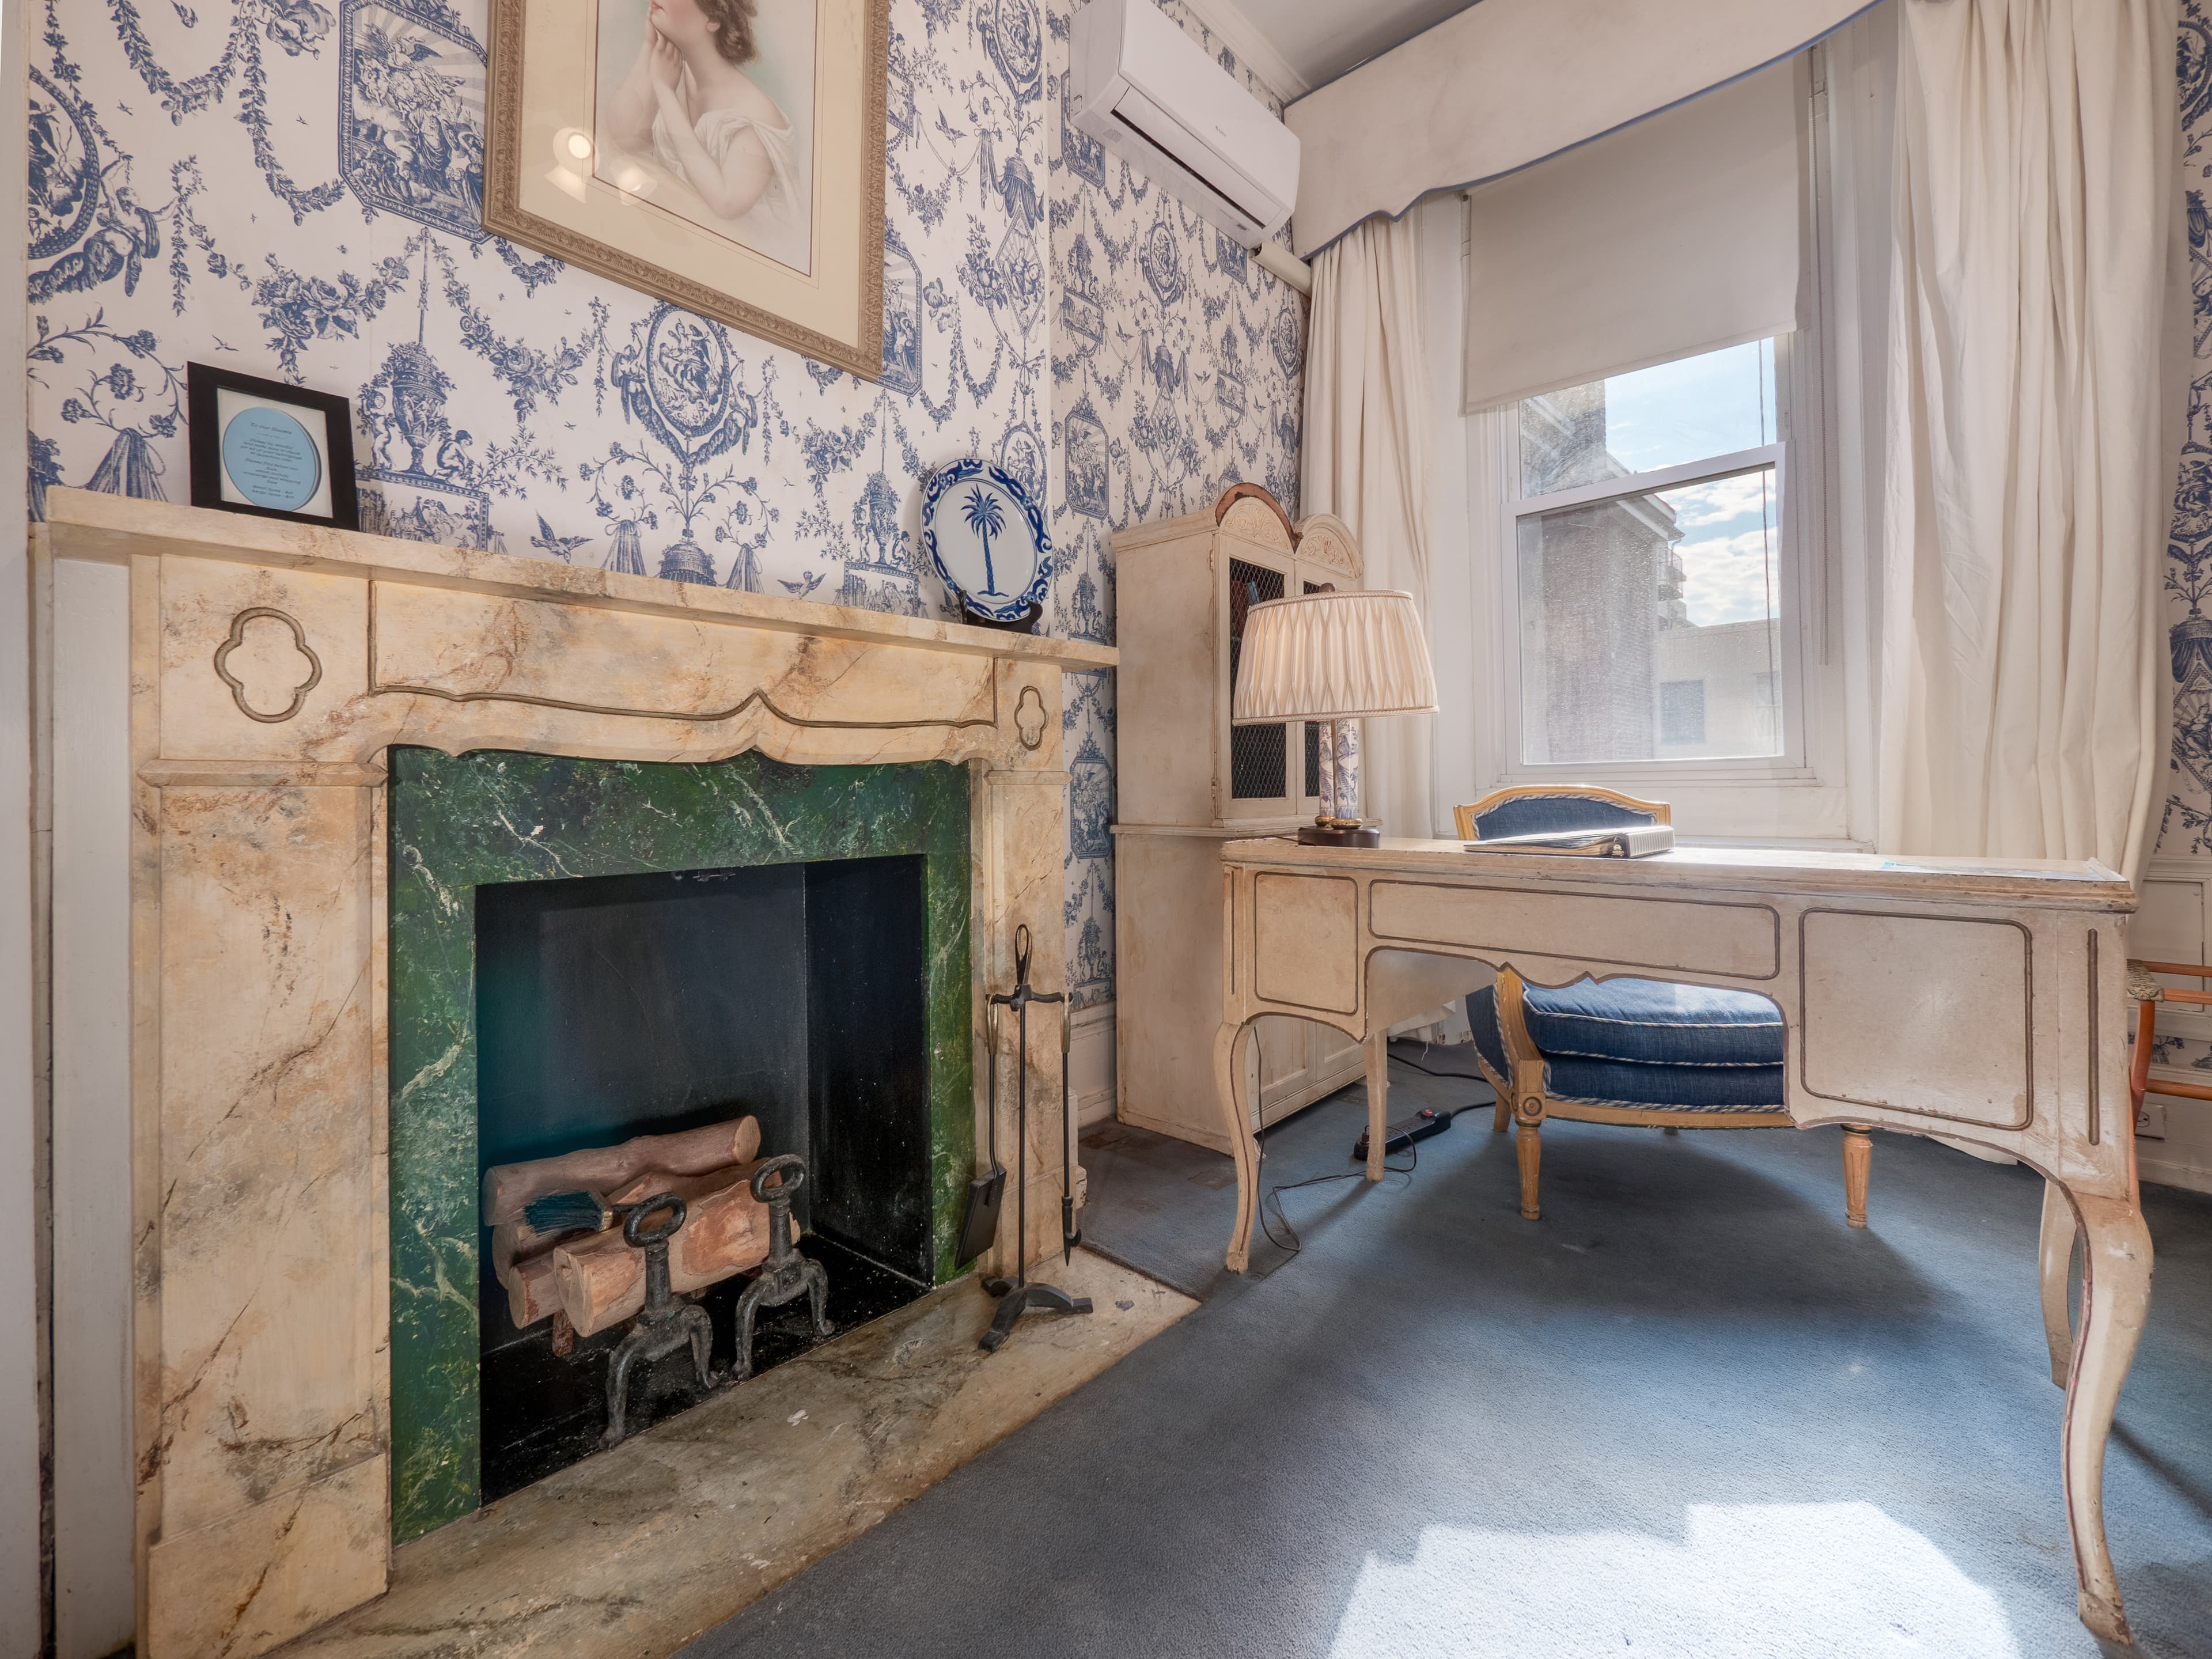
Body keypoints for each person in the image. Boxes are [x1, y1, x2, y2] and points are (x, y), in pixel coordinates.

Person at [603, 0, 808, 270]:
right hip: (679, 256)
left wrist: (664, 91)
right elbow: (623, 134)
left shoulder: (754, 114)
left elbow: (726, 203)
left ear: (712, 19)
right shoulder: (674, 72)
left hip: (744, 271)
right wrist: (650, 45)